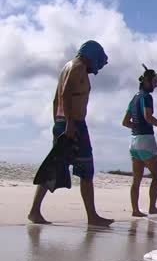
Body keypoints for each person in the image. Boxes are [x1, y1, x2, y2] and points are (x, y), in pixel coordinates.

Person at [28, 40, 114, 226]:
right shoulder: (78, 67)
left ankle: (35, 211)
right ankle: (92, 217)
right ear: (92, 56)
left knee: (54, 166)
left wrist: (58, 123)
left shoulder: (68, 67)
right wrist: (69, 124)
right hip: (74, 125)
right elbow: (66, 94)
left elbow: (55, 100)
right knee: (86, 170)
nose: (96, 67)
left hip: (64, 122)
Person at [121, 65, 157, 217]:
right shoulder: (147, 97)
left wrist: (137, 127)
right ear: (147, 81)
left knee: (136, 179)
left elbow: (125, 122)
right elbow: (148, 117)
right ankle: (152, 207)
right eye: (154, 82)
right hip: (146, 141)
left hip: (133, 141)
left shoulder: (134, 98)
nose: (156, 85)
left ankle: (135, 210)